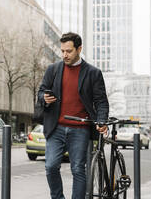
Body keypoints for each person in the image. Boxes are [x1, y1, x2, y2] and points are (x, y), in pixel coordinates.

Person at [38, 32, 109, 199]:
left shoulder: (93, 73)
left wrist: (101, 120)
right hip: (56, 128)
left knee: (78, 169)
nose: (64, 55)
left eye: (68, 51)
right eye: (62, 51)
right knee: (50, 166)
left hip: (80, 129)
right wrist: (44, 98)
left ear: (79, 49)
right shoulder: (53, 69)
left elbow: (101, 102)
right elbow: (41, 92)